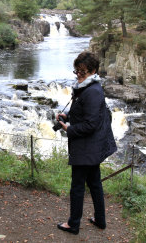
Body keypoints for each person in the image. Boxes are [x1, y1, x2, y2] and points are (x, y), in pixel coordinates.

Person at [56, 51, 117, 235]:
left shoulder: (92, 91)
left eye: (83, 71)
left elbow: (91, 124)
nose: (79, 75)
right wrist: (67, 116)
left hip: (86, 148)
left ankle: (73, 224)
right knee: (95, 184)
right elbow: (87, 114)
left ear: (93, 70)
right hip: (92, 147)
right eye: (77, 71)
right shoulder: (89, 87)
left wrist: (69, 129)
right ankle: (100, 220)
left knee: (77, 187)